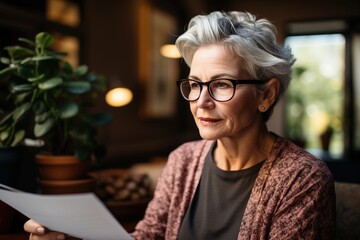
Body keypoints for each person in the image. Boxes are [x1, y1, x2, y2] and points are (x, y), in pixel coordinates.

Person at [24, 11, 336, 240]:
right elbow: (148, 236)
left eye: (222, 84)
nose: (202, 101)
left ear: (265, 95)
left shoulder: (302, 179)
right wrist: (68, 235)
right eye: (195, 84)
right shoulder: (183, 160)